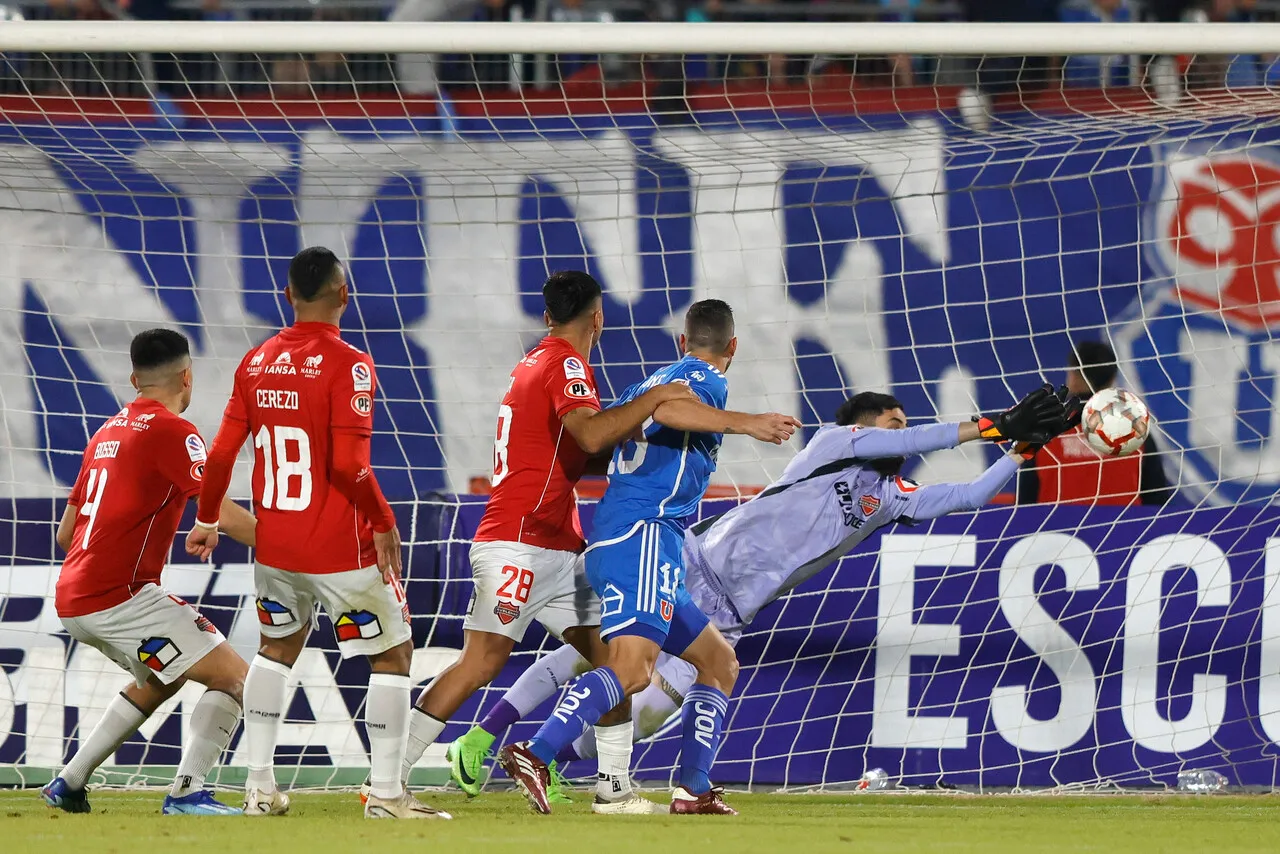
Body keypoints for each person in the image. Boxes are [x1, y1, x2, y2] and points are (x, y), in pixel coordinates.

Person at [453, 386, 1079, 780]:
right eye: (893, 420)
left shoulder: (889, 498)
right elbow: (922, 438)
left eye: (902, 424)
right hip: (693, 563)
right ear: (864, 425)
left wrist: (1021, 449)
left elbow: (967, 493)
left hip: (731, 612)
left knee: (638, 714)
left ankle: (545, 761)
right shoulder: (835, 444)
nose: (902, 430)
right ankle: (488, 738)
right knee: (586, 655)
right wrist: (991, 423)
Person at [396, 274, 783, 816]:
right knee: (605, 667)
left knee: (705, 659)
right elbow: (623, 427)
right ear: (596, 318)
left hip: (571, 541)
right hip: (578, 539)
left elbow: (605, 438)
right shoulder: (602, 368)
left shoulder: (556, 366)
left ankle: (655, 787)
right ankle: (524, 754)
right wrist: (748, 423)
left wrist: (645, 408)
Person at [497, 299, 801, 816]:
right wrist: (747, 422)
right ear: (733, 347)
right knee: (632, 671)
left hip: (632, 536)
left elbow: (632, 426)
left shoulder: (651, 379)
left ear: (682, 339)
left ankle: (692, 788)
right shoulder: (701, 377)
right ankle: (537, 752)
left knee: (717, 662)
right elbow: (669, 410)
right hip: (643, 535)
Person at [186, 247, 447, 820]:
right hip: (340, 547)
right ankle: (384, 796)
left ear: (288, 296)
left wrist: (208, 519)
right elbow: (348, 466)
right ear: (343, 295)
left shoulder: (254, 362)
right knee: (394, 655)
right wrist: (383, 520)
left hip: (275, 546)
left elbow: (222, 453)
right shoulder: (350, 363)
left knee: (276, 650)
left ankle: (258, 788)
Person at [41, 328, 257, 816]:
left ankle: (69, 782)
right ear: (188, 376)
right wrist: (278, 544)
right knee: (237, 680)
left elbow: (63, 535)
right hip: (120, 596)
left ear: (134, 378)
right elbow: (215, 503)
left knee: (162, 676)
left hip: (74, 594)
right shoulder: (173, 430)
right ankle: (186, 792)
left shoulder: (104, 435)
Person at [1017, 340, 1172, 506]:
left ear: (1074, 376)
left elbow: (1025, 502)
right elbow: (1157, 505)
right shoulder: (1136, 432)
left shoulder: (1042, 429)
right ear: (1112, 379)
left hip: (1054, 529)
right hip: (1122, 530)